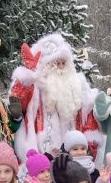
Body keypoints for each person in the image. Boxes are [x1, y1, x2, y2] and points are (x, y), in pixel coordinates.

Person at [9, 34, 105, 164]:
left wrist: (89, 146)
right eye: (55, 63)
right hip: (42, 154)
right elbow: (18, 100)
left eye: (63, 63)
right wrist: (28, 74)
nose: (60, 67)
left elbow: (88, 118)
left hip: (75, 155)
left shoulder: (78, 86)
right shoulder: (35, 86)